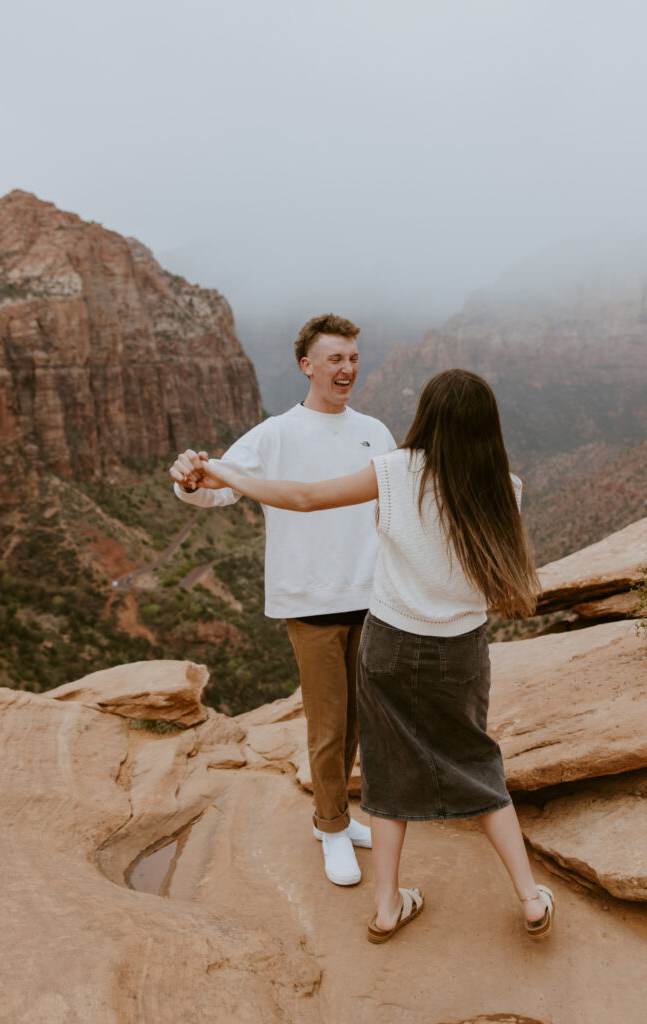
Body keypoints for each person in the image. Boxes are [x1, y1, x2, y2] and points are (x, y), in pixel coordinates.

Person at [189, 369, 555, 945]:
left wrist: (220, 473)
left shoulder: (395, 471)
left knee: (386, 770)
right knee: (477, 762)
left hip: (390, 644)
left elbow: (305, 498)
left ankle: (387, 908)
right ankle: (531, 899)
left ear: (427, 416)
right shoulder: (504, 485)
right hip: (461, 649)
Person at [169, 313, 395, 887]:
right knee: (327, 723)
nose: (347, 369)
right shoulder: (275, 434)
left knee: (359, 721)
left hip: (371, 597)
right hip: (310, 600)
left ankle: (337, 817)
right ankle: (331, 826)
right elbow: (214, 490)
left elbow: (393, 510)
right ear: (307, 366)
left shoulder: (375, 430)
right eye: (335, 359)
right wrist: (188, 480)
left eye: (352, 358)